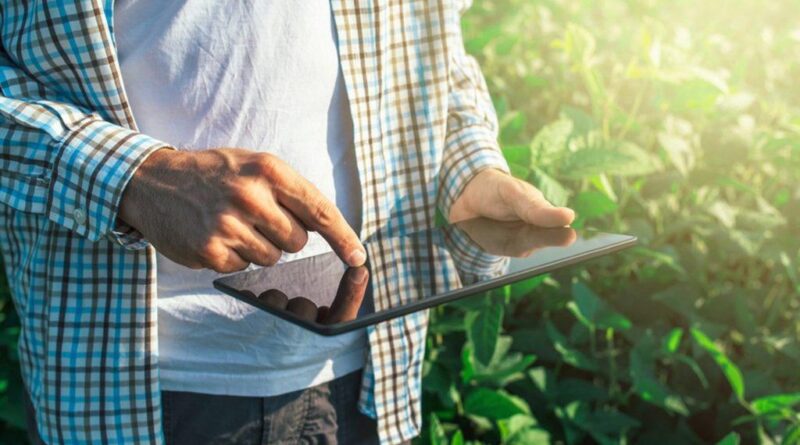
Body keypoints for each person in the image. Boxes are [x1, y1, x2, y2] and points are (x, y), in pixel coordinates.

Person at [0, 0, 575, 444]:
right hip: (139, 391)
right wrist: (134, 178)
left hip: (370, 378)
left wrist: (468, 167)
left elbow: (432, 50)